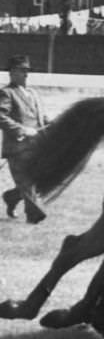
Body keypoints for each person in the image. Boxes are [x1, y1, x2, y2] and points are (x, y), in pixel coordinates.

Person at [1, 55, 49, 222]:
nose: (26, 74)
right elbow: (1, 117)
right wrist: (22, 130)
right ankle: (35, 216)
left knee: (38, 180)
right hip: (17, 146)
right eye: (22, 71)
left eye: (27, 71)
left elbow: (41, 117)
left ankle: (11, 197)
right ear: (12, 72)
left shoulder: (33, 93)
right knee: (27, 182)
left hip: (37, 145)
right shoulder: (7, 93)